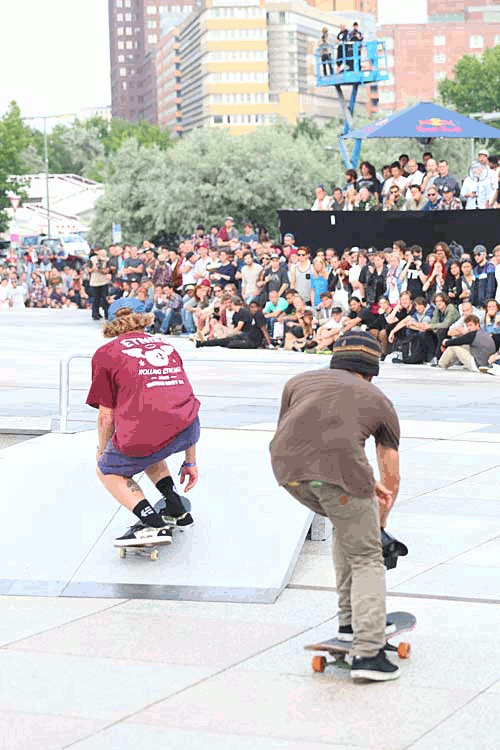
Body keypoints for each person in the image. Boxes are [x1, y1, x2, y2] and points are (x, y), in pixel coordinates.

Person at [270, 330, 401, 681]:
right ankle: (369, 653)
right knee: (367, 556)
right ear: (371, 371)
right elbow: (391, 475)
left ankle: (348, 626)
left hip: (289, 475)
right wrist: (379, 524)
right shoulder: (378, 399)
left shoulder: (298, 382)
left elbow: (297, 434)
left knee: (346, 527)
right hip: (340, 477)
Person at [86, 298, 200, 548]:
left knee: (107, 469)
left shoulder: (107, 353)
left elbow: (106, 416)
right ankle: (176, 508)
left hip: (146, 432)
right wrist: (190, 461)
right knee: (149, 449)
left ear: (112, 322)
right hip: (187, 428)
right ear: (144, 318)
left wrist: (102, 452)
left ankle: (152, 524)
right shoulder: (167, 346)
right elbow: (185, 396)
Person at [195, 296, 272, 349]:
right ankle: (203, 342)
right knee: (224, 339)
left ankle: (205, 342)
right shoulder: (237, 314)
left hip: (250, 339)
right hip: (245, 336)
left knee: (229, 343)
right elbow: (232, 326)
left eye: (254, 307)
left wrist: (270, 344)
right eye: (251, 307)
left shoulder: (257, 314)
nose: (252, 309)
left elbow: (264, 330)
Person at [89, 248, 110, 321]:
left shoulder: (107, 260)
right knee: (96, 299)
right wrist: (94, 268)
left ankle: (107, 314)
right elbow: (88, 269)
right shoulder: (92, 259)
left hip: (103, 281)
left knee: (105, 298)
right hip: (95, 282)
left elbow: (107, 270)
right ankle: (95, 314)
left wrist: (101, 270)